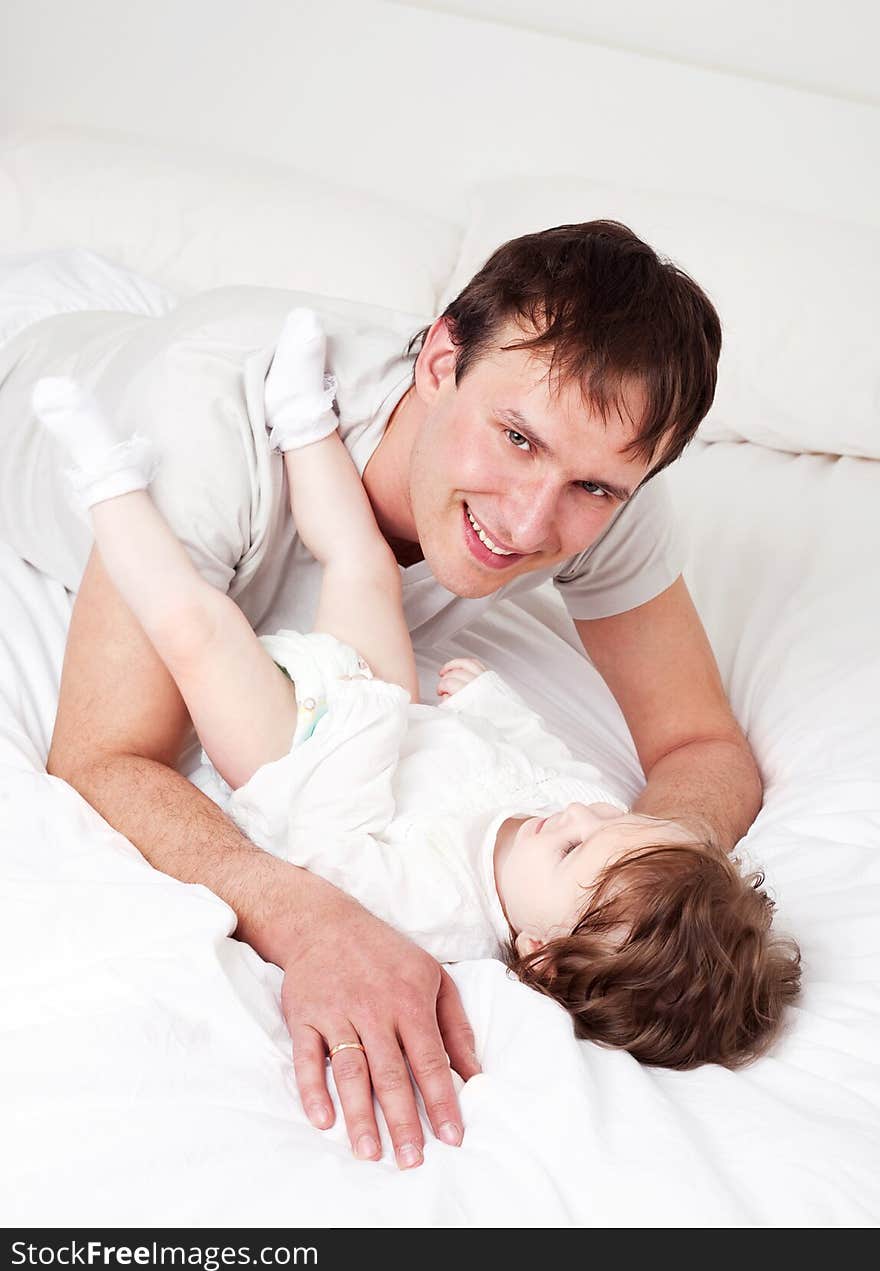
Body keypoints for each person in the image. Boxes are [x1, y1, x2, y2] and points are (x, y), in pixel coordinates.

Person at [0, 219, 763, 1168]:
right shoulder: (199, 430)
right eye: (516, 439)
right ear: (441, 360)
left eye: (595, 490)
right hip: (39, 372)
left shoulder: (597, 463)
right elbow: (101, 756)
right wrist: (314, 920)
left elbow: (700, 747)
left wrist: (647, 899)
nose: (532, 521)